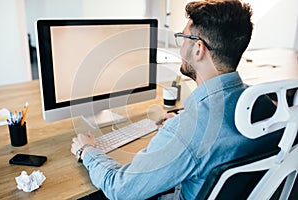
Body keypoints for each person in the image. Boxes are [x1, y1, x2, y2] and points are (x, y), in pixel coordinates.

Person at [71, 0, 282, 199]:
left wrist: (88, 151)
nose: (180, 47)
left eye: (183, 38)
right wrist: (178, 127)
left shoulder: (188, 131)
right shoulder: (266, 105)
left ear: (199, 49)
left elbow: (120, 189)